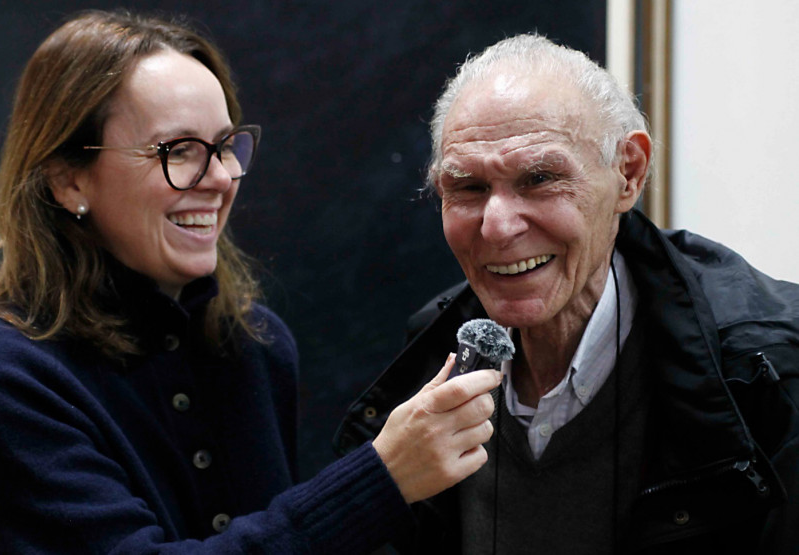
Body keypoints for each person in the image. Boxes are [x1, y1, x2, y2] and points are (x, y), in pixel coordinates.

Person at [0, 10, 501, 554]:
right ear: (67, 181)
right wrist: (381, 480)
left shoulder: (254, 346)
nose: (222, 177)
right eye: (178, 151)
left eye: (226, 146)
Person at [335, 34, 799, 554]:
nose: (497, 226)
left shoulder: (767, 370)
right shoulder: (432, 352)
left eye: (539, 179)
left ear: (628, 173)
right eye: (468, 187)